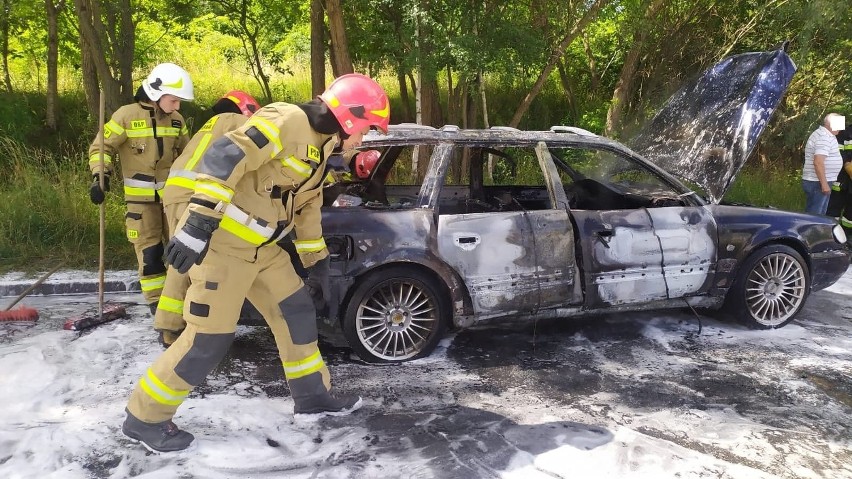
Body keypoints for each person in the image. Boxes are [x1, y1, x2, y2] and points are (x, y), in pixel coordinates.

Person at [121, 73, 390, 453]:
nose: (364, 140)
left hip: (262, 247)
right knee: (207, 339)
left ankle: (313, 397)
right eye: (367, 129)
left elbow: (307, 203)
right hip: (223, 246)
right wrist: (198, 222)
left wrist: (316, 263)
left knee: (296, 311)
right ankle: (144, 418)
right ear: (351, 116)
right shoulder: (287, 119)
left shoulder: (324, 145)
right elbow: (225, 156)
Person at [154, 90, 261, 348]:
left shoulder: (211, 124)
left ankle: (174, 323)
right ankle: (170, 328)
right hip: (191, 196)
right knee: (185, 262)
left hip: (176, 192)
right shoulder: (234, 122)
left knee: (181, 257)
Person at [88, 63, 194, 315]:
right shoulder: (126, 116)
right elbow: (101, 147)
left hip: (173, 202)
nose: (177, 106)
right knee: (151, 256)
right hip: (140, 205)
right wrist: (99, 176)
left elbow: (189, 155)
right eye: (174, 100)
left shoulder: (177, 121)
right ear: (157, 94)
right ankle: (158, 308)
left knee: (184, 251)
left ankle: (186, 303)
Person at [802, 113, 845, 215]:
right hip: (818, 182)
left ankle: (816, 230)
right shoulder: (824, 137)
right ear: (830, 124)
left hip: (819, 181)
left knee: (820, 214)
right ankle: (811, 231)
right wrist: (824, 184)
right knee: (815, 215)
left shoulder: (828, 135)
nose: (841, 128)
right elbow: (818, 162)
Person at [826, 124, 852, 240]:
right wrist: (847, 164)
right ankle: (829, 237)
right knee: (833, 212)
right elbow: (836, 152)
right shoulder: (843, 131)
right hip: (840, 181)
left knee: (850, 216)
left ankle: (848, 238)